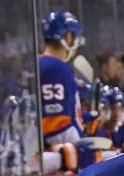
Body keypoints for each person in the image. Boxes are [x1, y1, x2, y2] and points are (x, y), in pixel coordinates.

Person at [39, 11, 84, 148]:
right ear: (68, 36)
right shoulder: (56, 67)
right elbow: (55, 125)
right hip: (56, 155)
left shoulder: (40, 63)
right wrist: (80, 148)